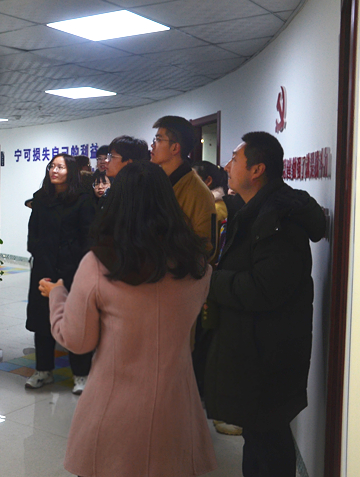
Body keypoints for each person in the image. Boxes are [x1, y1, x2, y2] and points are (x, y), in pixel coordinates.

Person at [39, 161, 216, 477]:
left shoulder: (100, 263)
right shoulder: (198, 266)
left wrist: (57, 295)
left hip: (113, 413)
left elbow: (78, 340)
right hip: (177, 411)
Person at [205, 132, 325, 477]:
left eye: (235, 159)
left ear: (257, 170)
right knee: (258, 437)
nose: (227, 165)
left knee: (268, 441)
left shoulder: (277, 219)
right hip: (255, 350)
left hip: (268, 354)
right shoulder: (257, 211)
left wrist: (211, 280)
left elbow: (263, 288)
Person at [26, 154, 96, 394]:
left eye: (60, 167)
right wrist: (38, 251)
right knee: (42, 321)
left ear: (71, 172)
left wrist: (78, 261)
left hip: (73, 269)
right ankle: (43, 370)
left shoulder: (83, 200)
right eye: (52, 166)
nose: (54, 171)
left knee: (76, 321)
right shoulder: (41, 199)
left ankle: (81, 374)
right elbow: (33, 231)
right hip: (44, 267)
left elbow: (89, 236)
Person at [150, 115, 216, 257]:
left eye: (158, 140)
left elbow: (205, 246)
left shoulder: (198, 192)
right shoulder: (158, 181)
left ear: (175, 147)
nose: (152, 145)